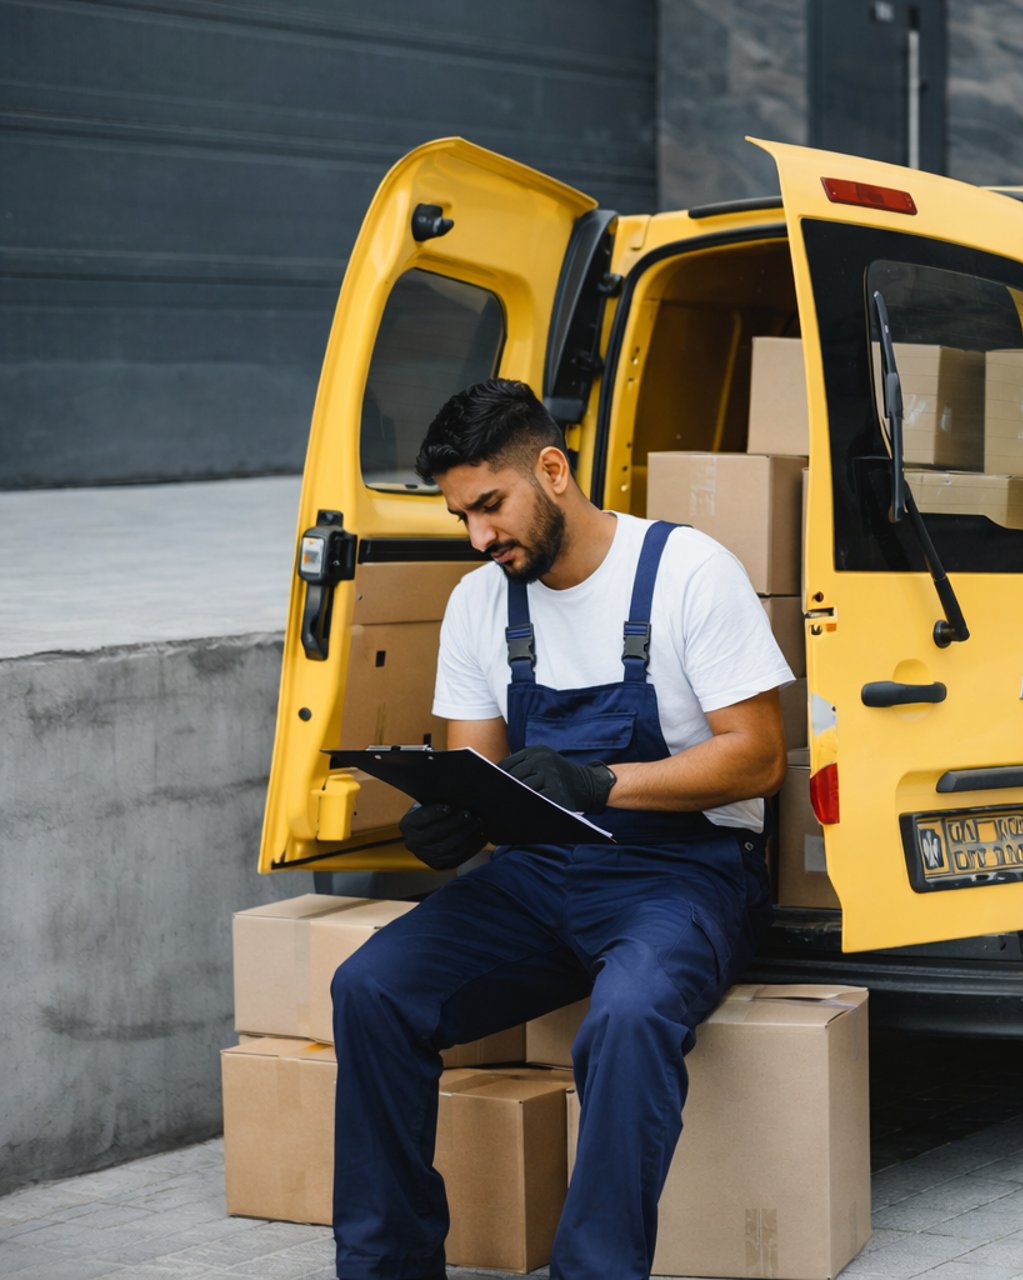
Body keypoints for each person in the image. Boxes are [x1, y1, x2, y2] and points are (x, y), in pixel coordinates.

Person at [329, 378, 791, 1279]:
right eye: (462, 517)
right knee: (371, 989)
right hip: (538, 873)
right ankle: (386, 1267)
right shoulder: (480, 602)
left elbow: (759, 758)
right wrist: (453, 823)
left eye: (490, 506)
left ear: (552, 470)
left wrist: (599, 781)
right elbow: (478, 769)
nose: (478, 537)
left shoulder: (688, 572)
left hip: (684, 873)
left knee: (629, 1014)